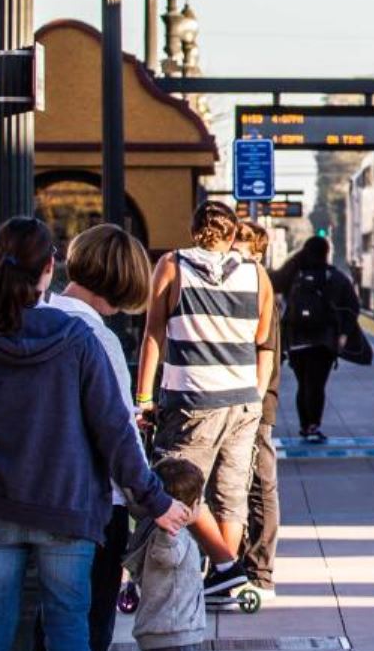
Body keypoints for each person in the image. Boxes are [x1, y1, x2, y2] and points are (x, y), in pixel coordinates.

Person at [0, 216, 190, 651]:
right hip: (68, 509)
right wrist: (156, 500)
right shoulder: (78, 337)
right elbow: (114, 432)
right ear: (50, 267)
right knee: (68, 632)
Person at [28, 224, 155, 651]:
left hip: (34, 494)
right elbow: (115, 430)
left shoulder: (38, 315)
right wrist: (149, 497)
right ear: (124, 279)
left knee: (47, 628)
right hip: (94, 504)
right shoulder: (95, 337)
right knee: (87, 627)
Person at [134, 200, 273, 603]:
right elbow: (262, 341)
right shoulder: (256, 274)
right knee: (230, 495)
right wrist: (256, 394)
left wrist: (143, 398)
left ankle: (225, 570)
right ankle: (221, 580)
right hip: (245, 400)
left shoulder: (172, 266)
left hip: (191, 398)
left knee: (177, 485)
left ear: (195, 231)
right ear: (232, 235)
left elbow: (153, 335)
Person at [124, 456, 207, 651]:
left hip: (156, 633)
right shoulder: (171, 535)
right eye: (200, 501)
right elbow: (167, 554)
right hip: (174, 633)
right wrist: (168, 529)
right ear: (186, 507)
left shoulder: (150, 530)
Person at [272, 237, 360, 444]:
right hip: (324, 341)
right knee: (317, 385)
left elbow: (272, 283)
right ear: (326, 252)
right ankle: (313, 425)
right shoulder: (335, 277)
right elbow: (353, 306)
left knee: (303, 384)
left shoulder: (294, 273)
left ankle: (304, 425)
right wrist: (344, 334)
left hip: (295, 340)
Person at [235, 221, 280, 600]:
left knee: (260, 484)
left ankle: (260, 572)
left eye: (242, 244)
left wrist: (255, 400)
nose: (234, 249)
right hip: (236, 400)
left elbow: (265, 349)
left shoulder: (258, 282)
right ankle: (236, 565)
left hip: (256, 404)